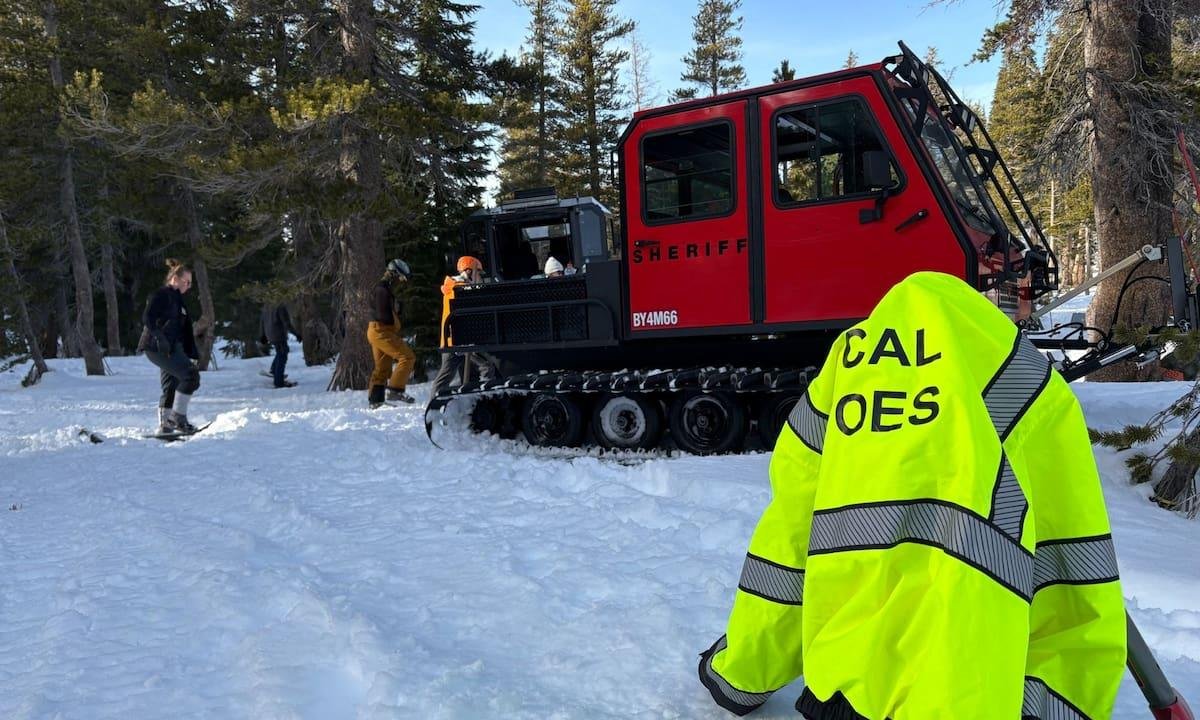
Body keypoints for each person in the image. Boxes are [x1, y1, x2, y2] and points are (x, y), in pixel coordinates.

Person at [698, 271, 1125, 719]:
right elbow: (1074, 555)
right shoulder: (1027, 379)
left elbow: (788, 542)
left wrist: (740, 673)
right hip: (977, 698)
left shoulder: (844, 376)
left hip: (850, 698)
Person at [137, 258, 202, 434]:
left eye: (190, 283)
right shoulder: (162, 294)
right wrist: (159, 338)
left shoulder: (177, 299)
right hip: (156, 347)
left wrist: (191, 351)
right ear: (175, 278)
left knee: (171, 384)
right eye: (186, 282)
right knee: (190, 376)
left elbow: (181, 328)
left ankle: (166, 425)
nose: (189, 286)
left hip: (171, 348)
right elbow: (148, 318)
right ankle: (177, 418)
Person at [432, 256, 494, 397]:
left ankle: (476, 397)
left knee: (451, 374)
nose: (480, 278)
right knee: (485, 367)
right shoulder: (458, 289)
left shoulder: (460, 288)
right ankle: (487, 396)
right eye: (478, 273)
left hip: (459, 339)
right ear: (469, 272)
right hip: (454, 341)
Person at [367, 258, 416, 407]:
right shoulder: (382, 289)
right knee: (407, 357)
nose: (401, 281)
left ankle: (375, 401)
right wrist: (395, 314)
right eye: (400, 277)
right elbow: (382, 314)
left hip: (376, 331)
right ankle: (395, 390)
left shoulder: (383, 288)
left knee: (382, 368)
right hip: (381, 331)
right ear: (393, 273)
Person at [260, 302, 302, 388]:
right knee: (282, 355)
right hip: (278, 335)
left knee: (281, 352)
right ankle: (278, 382)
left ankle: (274, 371)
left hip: (270, 334)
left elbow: (262, 321)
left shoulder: (267, 305)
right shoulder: (280, 306)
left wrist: (262, 335)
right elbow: (286, 323)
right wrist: (296, 334)